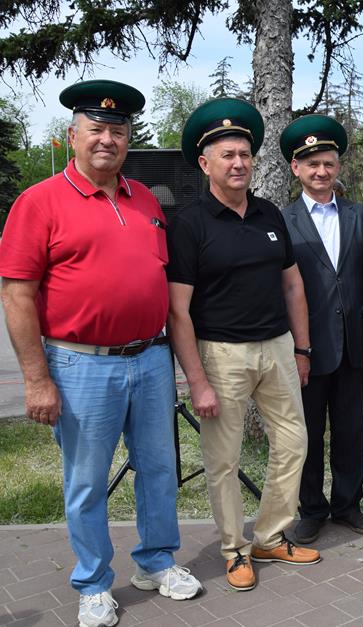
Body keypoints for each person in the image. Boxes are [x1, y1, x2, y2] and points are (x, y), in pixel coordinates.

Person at [0, 79, 202, 627]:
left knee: (159, 469)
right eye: (96, 129)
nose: (107, 139)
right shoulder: (38, 202)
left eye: (118, 130)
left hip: (151, 358)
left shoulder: (147, 201)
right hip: (79, 363)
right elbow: (17, 295)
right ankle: (92, 583)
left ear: (128, 139)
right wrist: (37, 379)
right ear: (73, 136)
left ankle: (156, 562)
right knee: (87, 481)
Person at [167, 98, 320, 592]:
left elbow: (292, 285)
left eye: (245, 155)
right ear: (204, 163)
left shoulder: (268, 213)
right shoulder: (189, 224)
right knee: (224, 460)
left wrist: (302, 349)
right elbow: (177, 311)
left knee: (294, 442)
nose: (238, 163)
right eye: (227, 155)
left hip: (276, 348)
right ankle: (234, 549)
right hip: (221, 355)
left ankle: (270, 536)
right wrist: (197, 380)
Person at [280, 114, 363, 541]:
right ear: (296, 168)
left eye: (328, 163)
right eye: (312, 165)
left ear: (338, 166)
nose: (321, 171)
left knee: (350, 430)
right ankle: (311, 509)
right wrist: (294, 347)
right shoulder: (283, 220)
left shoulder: (360, 215)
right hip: (306, 348)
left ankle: (348, 505)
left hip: (354, 344)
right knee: (307, 432)